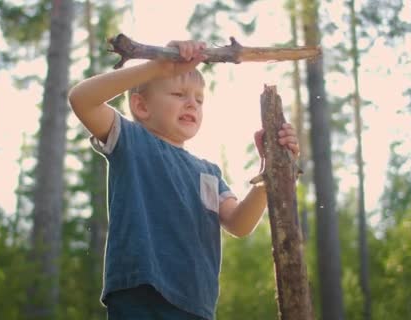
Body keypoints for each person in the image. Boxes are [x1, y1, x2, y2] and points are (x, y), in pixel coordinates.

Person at [68, 40, 299, 320]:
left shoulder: (208, 172)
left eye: (199, 99)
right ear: (141, 106)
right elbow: (82, 99)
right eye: (178, 94)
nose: (191, 103)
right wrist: (156, 67)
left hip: (196, 304)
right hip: (141, 295)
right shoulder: (131, 142)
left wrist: (271, 170)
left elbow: (240, 223)